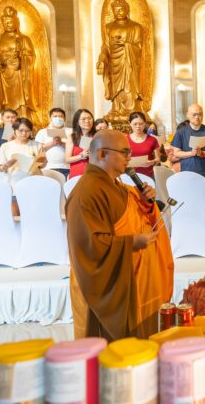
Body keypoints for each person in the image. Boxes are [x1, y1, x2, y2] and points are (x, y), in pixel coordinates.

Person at [66, 129, 174, 340]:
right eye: (124, 152)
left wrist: (146, 203)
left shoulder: (116, 185)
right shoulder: (86, 193)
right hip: (111, 289)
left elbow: (138, 215)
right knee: (118, 355)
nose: (129, 157)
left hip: (135, 281)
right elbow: (89, 247)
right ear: (101, 154)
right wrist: (131, 242)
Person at [171, 104, 205, 202]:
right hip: (187, 172)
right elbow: (176, 153)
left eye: (200, 114)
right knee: (189, 201)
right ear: (188, 115)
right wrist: (191, 153)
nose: (197, 117)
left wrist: (202, 153)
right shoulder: (181, 132)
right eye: (194, 114)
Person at [33, 107, 71, 178]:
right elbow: (37, 150)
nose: (58, 118)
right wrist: (52, 143)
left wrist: (62, 144)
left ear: (65, 118)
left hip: (67, 167)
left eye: (60, 116)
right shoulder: (42, 132)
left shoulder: (70, 131)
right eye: (55, 116)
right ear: (50, 118)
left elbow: (75, 148)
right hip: (48, 167)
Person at [126, 112, 160, 178]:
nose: (138, 126)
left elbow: (158, 159)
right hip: (129, 176)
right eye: (135, 124)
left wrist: (152, 162)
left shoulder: (152, 140)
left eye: (141, 124)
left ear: (145, 123)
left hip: (147, 175)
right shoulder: (124, 140)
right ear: (129, 123)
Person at [65, 109, 96, 179]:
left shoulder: (98, 136)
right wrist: (81, 156)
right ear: (77, 122)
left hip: (94, 173)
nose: (87, 121)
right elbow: (67, 159)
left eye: (89, 118)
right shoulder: (72, 137)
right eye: (83, 119)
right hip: (77, 174)